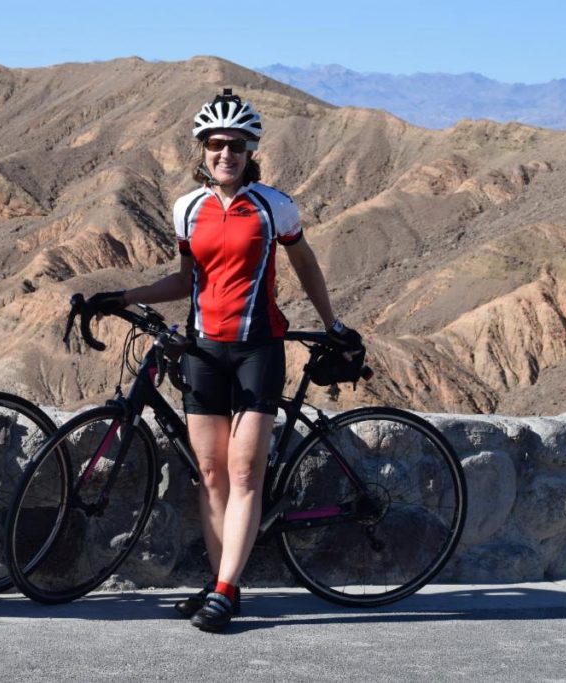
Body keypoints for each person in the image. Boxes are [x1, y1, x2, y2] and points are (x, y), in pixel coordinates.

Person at [84, 89, 363, 633]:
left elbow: (305, 264)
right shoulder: (187, 208)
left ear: (250, 149)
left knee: (243, 472)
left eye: (235, 145)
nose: (225, 154)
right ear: (202, 150)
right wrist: (124, 295)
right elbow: (186, 279)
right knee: (210, 475)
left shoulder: (273, 206)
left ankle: (227, 588)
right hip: (204, 351)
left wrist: (332, 323)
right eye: (215, 145)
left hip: (259, 348)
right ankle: (219, 587)